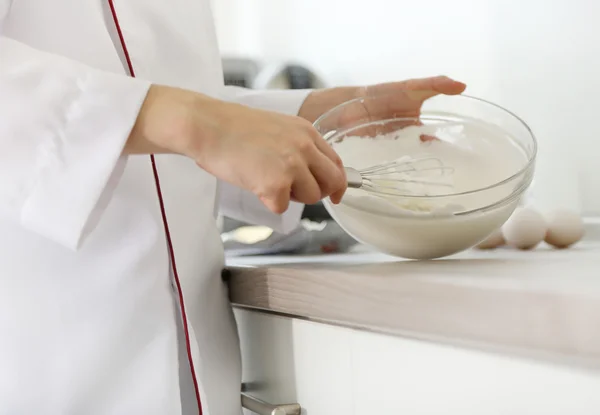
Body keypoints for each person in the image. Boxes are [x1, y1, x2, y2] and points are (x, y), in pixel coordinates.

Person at [0, 0, 466, 414]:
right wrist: (195, 123)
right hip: (46, 363)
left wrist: (308, 117)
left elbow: (152, 102)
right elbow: (163, 113)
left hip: (195, 367)